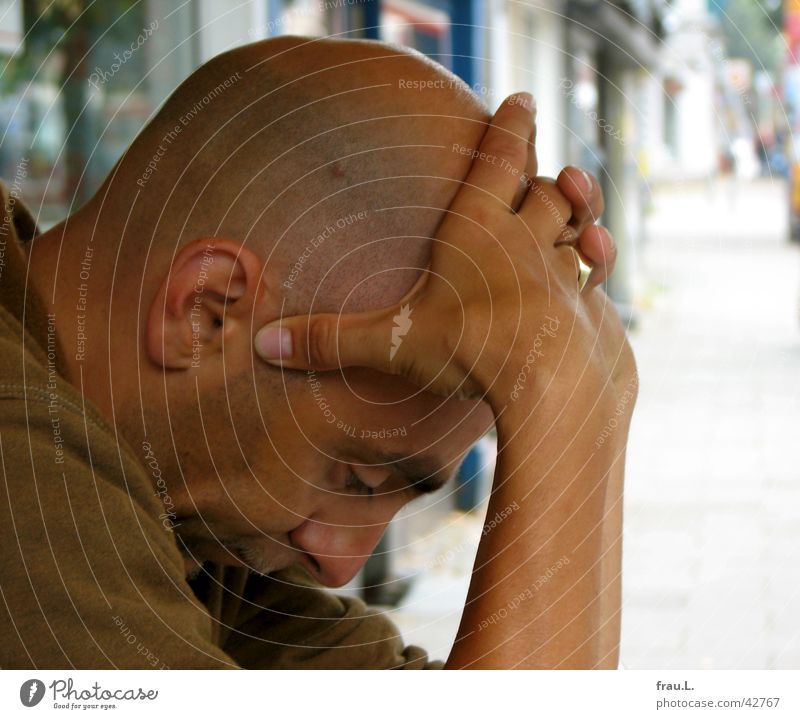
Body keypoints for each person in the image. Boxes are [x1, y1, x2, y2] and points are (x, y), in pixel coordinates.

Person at [0, 35, 634, 669]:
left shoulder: (194, 522)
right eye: (358, 478)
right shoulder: (25, 470)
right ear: (205, 310)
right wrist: (567, 406)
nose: (339, 564)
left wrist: (590, 379)